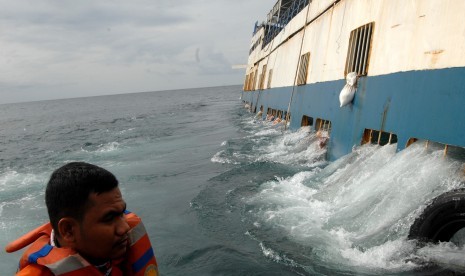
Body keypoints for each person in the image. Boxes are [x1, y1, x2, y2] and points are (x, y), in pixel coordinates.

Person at [5, 162, 158, 276]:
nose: (125, 228)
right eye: (109, 218)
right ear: (68, 231)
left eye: (122, 213)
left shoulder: (114, 245)